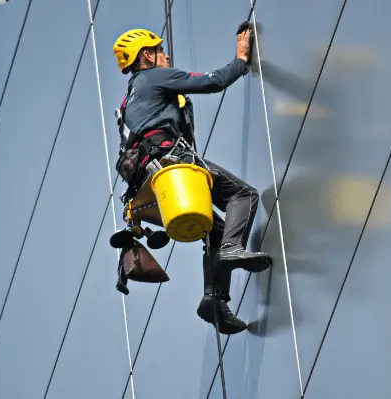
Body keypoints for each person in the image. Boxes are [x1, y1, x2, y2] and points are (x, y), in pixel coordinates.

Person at [112, 27, 272, 335]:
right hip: (171, 164)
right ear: (147, 56)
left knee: (217, 229)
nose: (166, 55)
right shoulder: (154, 78)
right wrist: (241, 60)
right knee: (243, 195)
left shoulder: (129, 100)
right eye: (160, 51)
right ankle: (231, 249)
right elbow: (212, 81)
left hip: (151, 183)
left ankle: (214, 300)